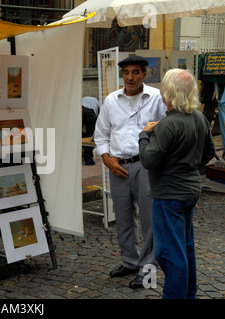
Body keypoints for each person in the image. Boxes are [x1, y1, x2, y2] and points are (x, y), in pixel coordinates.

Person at [139, 68, 216, 299]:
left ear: (167, 93)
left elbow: (148, 160)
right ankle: (189, 294)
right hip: (190, 192)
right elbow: (209, 152)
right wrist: (189, 167)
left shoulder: (166, 125)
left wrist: (144, 135)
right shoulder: (200, 118)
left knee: (170, 253)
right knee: (186, 246)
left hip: (169, 195)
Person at [94, 56, 167, 289]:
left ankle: (148, 271)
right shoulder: (111, 101)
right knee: (123, 219)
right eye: (126, 72)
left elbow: (168, 130)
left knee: (149, 220)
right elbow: (101, 135)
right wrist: (106, 159)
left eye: (135, 72)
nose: (130, 77)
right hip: (118, 166)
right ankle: (129, 261)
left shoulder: (157, 98)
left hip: (146, 166)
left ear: (145, 74)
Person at [82, 96, 99, 165]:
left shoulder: (83, 99)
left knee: (76, 134)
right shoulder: (97, 102)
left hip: (79, 109)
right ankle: (89, 160)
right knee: (90, 136)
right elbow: (99, 117)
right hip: (90, 112)